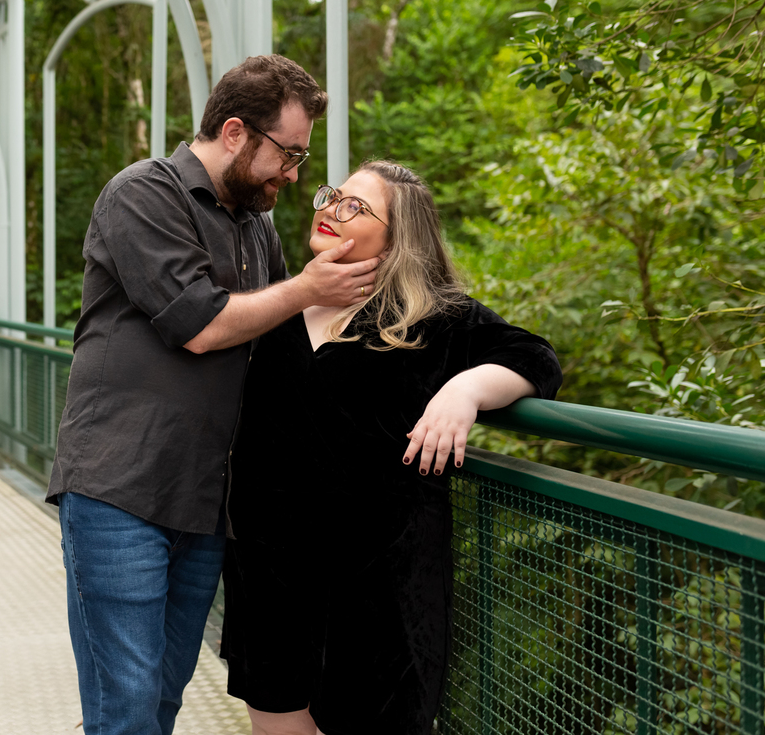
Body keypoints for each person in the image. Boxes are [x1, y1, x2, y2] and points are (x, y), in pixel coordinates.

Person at [47, 55, 383, 735]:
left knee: (162, 700)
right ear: (235, 133)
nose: (294, 175)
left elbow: (285, 343)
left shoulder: (255, 225)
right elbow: (199, 325)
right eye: (288, 154)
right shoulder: (143, 193)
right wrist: (305, 288)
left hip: (206, 501)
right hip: (120, 488)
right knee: (127, 709)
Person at [219, 160, 563, 735]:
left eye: (356, 206)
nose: (332, 209)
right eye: (334, 196)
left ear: (398, 237)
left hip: (381, 590)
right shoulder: (280, 308)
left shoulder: (434, 318)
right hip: (271, 580)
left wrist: (465, 390)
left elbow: (536, 358)